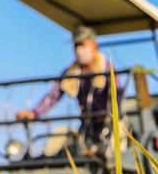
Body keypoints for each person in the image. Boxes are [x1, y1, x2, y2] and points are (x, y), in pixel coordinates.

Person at [16, 25, 120, 153]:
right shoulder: (71, 72)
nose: (79, 49)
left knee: (109, 152)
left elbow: (118, 93)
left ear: (93, 45)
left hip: (109, 125)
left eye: (82, 44)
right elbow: (53, 95)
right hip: (86, 126)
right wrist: (34, 113)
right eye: (76, 45)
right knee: (63, 144)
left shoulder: (106, 68)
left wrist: (115, 118)